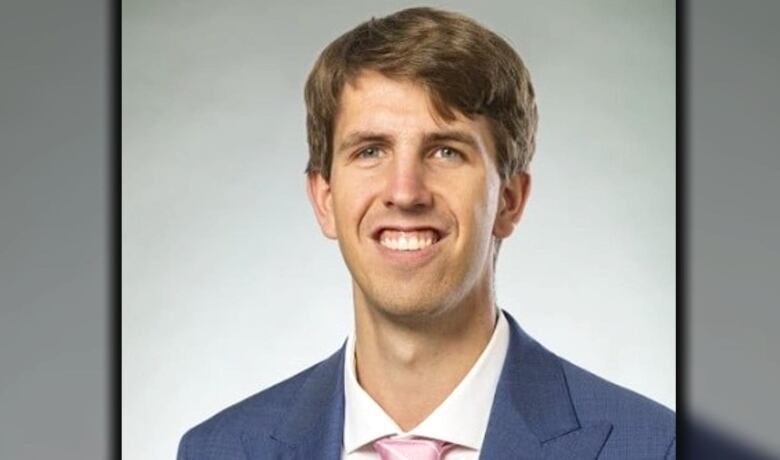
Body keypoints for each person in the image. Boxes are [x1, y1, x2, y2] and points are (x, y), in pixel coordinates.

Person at [177, 7, 675, 459]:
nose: (405, 192)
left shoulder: (656, 448)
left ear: (510, 199)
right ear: (324, 199)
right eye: (370, 150)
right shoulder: (217, 452)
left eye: (446, 151)